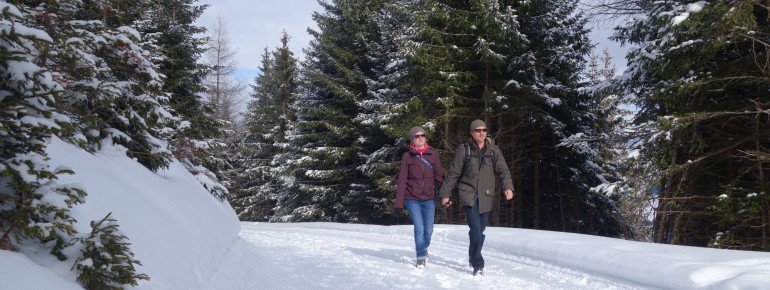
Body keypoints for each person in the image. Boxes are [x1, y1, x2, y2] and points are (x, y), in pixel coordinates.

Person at [439, 119, 514, 275]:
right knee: (476, 228)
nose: (482, 133)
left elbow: (504, 171)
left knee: (479, 230)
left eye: (484, 130)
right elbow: (454, 173)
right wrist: (445, 194)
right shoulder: (464, 150)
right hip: (469, 194)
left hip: (486, 196)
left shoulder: (494, 151)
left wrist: (508, 187)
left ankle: (473, 255)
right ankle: (477, 263)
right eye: (478, 130)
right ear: (472, 133)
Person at [395, 126, 444, 268]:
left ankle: (423, 247)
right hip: (412, 198)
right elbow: (402, 180)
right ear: (412, 140)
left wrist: (442, 193)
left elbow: (439, 175)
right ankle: (420, 256)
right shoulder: (407, 156)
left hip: (429, 198)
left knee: (428, 230)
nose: (420, 138)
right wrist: (399, 203)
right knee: (419, 228)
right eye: (417, 136)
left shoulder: (433, 155)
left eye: (422, 135)